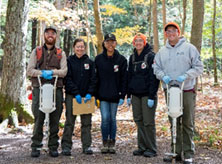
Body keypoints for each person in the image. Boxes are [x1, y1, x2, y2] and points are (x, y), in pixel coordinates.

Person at [153, 22, 203, 164]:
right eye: (168, 31)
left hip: (186, 90)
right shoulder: (162, 52)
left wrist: (186, 75)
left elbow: (199, 67)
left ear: (178, 32)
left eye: (173, 31)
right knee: (174, 121)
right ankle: (175, 151)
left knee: (187, 122)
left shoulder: (189, 49)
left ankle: (188, 153)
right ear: (166, 34)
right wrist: (163, 77)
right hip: (170, 90)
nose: (171, 34)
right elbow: (156, 69)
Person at [27, 26, 67, 158]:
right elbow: (30, 70)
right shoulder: (36, 51)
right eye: (48, 33)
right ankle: (36, 146)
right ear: (44, 35)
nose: (50, 35)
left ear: (56, 36)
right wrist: (42, 73)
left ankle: (53, 146)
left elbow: (64, 71)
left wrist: (53, 72)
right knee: (39, 118)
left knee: (55, 118)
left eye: (53, 33)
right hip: (39, 88)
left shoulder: (61, 53)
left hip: (56, 89)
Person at [61, 38, 96, 155]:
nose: (80, 48)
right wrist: (75, 92)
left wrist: (90, 93)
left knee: (86, 123)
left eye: (82, 46)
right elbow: (67, 78)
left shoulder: (90, 62)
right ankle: (66, 147)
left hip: (86, 97)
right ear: (74, 48)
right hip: (72, 96)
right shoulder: (69, 61)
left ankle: (86, 146)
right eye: (78, 46)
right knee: (70, 122)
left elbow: (93, 79)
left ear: (85, 48)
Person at [127, 33, 160, 158]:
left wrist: (152, 95)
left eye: (141, 40)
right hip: (135, 95)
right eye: (136, 41)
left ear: (145, 42)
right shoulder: (132, 57)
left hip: (147, 95)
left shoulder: (151, 56)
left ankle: (151, 148)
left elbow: (154, 77)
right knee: (138, 121)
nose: (139, 43)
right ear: (134, 43)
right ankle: (141, 147)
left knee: (148, 122)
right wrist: (128, 95)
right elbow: (129, 76)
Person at [95, 33, 127, 154]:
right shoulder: (98, 59)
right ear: (104, 43)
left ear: (116, 43)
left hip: (115, 95)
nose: (110, 44)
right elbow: (95, 78)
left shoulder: (121, 60)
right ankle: (104, 142)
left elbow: (124, 79)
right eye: (108, 41)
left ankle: (112, 143)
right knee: (105, 119)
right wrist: (94, 95)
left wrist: (122, 95)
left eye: (112, 41)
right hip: (102, 95)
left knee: (113, 119)